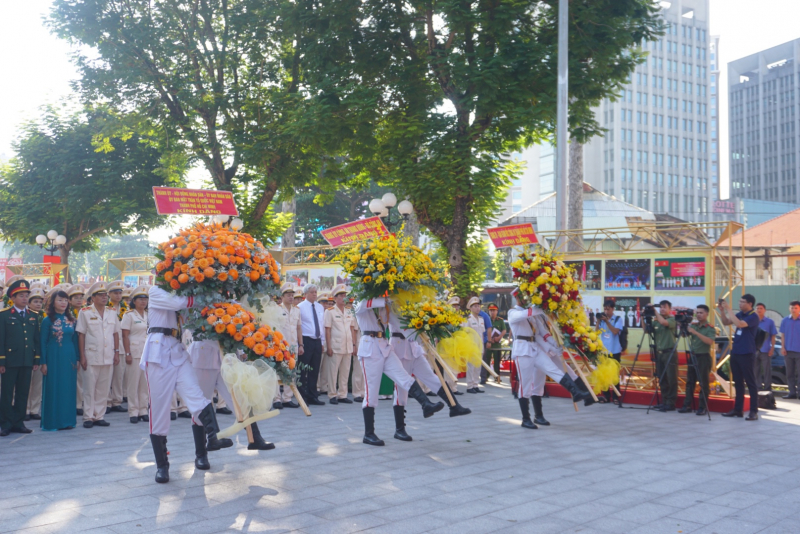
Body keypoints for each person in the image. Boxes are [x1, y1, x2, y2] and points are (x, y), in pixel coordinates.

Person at [143, 286, 233, 483]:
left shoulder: (182, 294)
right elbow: (179, 303)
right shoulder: (156, 291)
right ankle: (162, 466)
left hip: (178, 350)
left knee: (197, 396)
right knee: (159, 411)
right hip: (157, 352)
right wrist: (203, 292)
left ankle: (213, 436)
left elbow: (195, 316)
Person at [354, 297, 444, 445]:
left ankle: (425, 404)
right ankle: (368, 434)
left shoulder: (384, 306)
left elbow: (398, 323)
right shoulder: (361, 301)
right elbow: (364, 304)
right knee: (371, 392)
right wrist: (387, 299)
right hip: (369, 349)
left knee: (404, 377)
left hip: (384, 346)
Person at [508, 288, 592, 429]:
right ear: (518, 298)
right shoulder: (513, 312)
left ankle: (575, 392)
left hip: (535, 348)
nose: (527, 299)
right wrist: (542, 305)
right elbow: (527, 313)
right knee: (526, 386)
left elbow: (541, 333)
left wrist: (554, 346)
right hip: (522, 350)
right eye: (525, 297)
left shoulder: (532, 316)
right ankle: (526, 418)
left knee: (554, 370)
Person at [387, 300, 471, 441]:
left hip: (414, 348)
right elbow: (404, 327)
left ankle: (454, 406)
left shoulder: (410, 301)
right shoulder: (391, 304)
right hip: (400, 348)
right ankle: (400, 429)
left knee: (432, 378)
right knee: (401, 390)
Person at [188, 338, 275, 452]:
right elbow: (191, 326)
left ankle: (255, 438)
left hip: (226, 360)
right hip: (203, 358)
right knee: (201, 405)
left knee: (240, 398)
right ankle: (202, 451)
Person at [76, 282, 120, 428]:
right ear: (92, 298)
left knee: (103, 388)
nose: (104, 298)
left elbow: (115, 334)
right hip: (91, 356)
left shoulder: (112, 312)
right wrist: (82, 356)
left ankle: (99, 416)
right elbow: (81, 334)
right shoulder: (85, 312)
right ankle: (88, 416)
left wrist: (116, 353)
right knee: (89, 388)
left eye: (105, 295)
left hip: (107, 355)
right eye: (100, 295)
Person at [0, 279, 41, 436]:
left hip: (26, 360)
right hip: (10, 361)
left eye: (26, 295)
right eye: (21, 296)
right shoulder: (4, 316)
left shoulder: (33, 316)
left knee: (23, 392)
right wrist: (1, 361)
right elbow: (1, 340)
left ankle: (19, 422)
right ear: (13, 298)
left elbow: (35, 339)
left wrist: (36, 359)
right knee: (7, 393)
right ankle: (5, 423)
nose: (25, 298)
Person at [40, 290, 80, 431]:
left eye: (65, 300)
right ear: (53, 302)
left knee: (68, 388)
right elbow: (43, 343)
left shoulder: (72, 320)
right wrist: (43, 362)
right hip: (53, 357)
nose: (63, 303)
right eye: (60, 300)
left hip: (69, 358)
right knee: (53, 387)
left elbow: (75, 340)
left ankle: (68, 421)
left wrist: (78, 358)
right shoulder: (47, 320)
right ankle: (53, 422)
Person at [718, 294, 760, 420]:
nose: (740, 304)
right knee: (738, 383)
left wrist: (729, 309)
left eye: (742, 302)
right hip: (736, 352)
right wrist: (722, 311)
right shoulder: (740, 314)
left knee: (750, 383)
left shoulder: (753, 316)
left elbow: (740, 325)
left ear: (750, 304)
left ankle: (753, 411)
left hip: (747, 353)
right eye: (739, 301)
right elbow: (726, 322)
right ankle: (738, 410)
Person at [679, 305, 716, 416]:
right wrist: (683, 326)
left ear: (706, 314)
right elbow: (683, 336)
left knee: (703, 383)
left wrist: (696, 333)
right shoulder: (693, 326)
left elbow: (709, 341)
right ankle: (687, 405)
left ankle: (702, 407)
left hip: (703, 357)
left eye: (701, 313)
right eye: (697, 313)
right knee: (690, 382)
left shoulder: (710, 328)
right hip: (693, 356)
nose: (698, 315)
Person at [121, 286, 150, 424]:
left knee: (144, 383)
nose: (143, 302)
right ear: (134, 301)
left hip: (147, 352)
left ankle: (143, 410)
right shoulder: (129, 315)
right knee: (133, 383)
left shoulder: (149, 315)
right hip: (134, 351)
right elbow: (125, 335)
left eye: (145, 299)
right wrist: (127, 353)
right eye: (140, 299)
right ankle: (133, 411)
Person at [324, 285, 356, 405]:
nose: (344, 298)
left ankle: (343, 394)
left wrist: (353, 345)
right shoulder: (330, 312)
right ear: (335, 298)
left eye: (345, 296)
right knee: (333, 371)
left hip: (347, 346)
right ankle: (332, 394)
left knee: (345, 371)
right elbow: (327, 330)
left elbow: (352, 329)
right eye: (341, 296)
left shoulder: (349, 311)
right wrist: (329, 346)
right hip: (335, 346)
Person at [297, 284, 326, 406]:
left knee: (314, 370)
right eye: (312, 292)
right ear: (306, 294)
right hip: (306, 340)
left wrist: (322, 342)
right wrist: (300, 344)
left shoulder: (320, 307)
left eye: (316, 291)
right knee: (303, 370)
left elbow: (322, 325)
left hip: (317, 341)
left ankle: (312, 396)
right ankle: (302, 397)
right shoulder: (300, 307)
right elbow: (298, 326)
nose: (315, 294)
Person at [273, 283, 301, 409]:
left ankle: (287, 398)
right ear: (282, 296)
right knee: (278, 372)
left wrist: (301, 344)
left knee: (291, 371)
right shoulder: (277, 310)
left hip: (293, 345)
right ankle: (277, 398)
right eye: (288, 295)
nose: (291, 297)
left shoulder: (297, 310)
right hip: (280, 345)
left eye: (292, 295)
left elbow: (299, 328)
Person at [652, 300, 678, 412]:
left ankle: (671, 403)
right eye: (660, 307)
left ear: (669, 309)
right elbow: (646, 330)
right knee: (662, 378)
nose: (662, 309)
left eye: (664, 307)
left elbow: (664, 323)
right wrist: (644, 317)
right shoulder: (656, 321)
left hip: (670, 353)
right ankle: (664, 401)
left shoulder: (672, 319)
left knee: (671, 379)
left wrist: (654, 312)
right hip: (659, 353)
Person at [107, 280, 128, 413]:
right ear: (109, 294)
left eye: (120, 293)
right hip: (108, 345)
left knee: (119, 376)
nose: (118, 295)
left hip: (121, 346)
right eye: (115, 293)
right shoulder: (106, 308)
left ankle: (117, 401)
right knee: (107, 376)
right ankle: (107, 402)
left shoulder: (126, 308)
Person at [25, 287, 46, 422]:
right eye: (35, 301)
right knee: (26, 383)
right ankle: (25, 409)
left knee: (38, 383)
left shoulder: (44, 316)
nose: (38, 304)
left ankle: (34, 409)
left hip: (41, 354)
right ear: (29, 303)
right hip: (28, 353)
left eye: (40, 302)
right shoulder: (26, 315)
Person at [597, 300, 623, 403]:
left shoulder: (617, 319)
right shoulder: (602, 320)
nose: (606, 311)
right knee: (604, 374)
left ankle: (616, 397)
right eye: (605, 309)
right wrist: (599, 321)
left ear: (613, 309)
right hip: (604, 351)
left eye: (608, 309)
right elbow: (596, 332)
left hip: (614, 351)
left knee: (614, 375)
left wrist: (607, 321)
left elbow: (615, 332)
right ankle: (606, 396)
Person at [68, 285, 86, 416]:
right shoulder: (67, 313)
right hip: (70, 347)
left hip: (84, 347)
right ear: (69, 300)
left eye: (81, 298)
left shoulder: (86, 312)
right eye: (75, 298)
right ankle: (69, 402)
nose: (79, 300)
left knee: (80, 378)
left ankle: (79, 404)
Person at [779, 301, 800, 400]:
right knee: (789, 373)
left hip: (799, 351)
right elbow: (782, 335)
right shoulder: (785, 320)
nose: (794, 310)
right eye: (792, 308)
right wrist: (783, 347)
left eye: (796, 308)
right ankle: (792, 393)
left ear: (799, 309)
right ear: (789, 309)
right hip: (788, 351)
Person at [755, 303, 777, 392]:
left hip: (766, 350)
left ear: (764, 310)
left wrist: (772, 348)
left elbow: (773, 336)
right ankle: (758, 387)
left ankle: (768, 388)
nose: (759, 310)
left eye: (761, 308)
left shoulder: (770, 322)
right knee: (755, 370)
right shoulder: (753, 321)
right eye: (757, 308)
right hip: (754, 350)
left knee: (767, 370)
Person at [465, 297, 486, 393]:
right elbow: (465, 333)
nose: (478, 308)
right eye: (475, 306)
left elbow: (482, 333)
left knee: (478, 367)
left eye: (478, 306)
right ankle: (469, 386)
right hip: (471, 346)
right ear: (470, 308)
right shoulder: (468, 320)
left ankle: (475, 385)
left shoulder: (481, 319)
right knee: (471, 367)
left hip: (479, 346)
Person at [482, 304, 506, 384]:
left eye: (494, 310)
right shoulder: (485, 320)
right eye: (491, 310)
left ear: (497, 311)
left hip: (497, 345)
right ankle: (486, 377)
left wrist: (499, 337)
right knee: (486, 361)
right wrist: (489, 339)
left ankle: (497, 377)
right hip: (488, 344)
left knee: (497, 361)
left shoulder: (500, 320)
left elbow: (504, 330)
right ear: (489, 311)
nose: (492, 312)